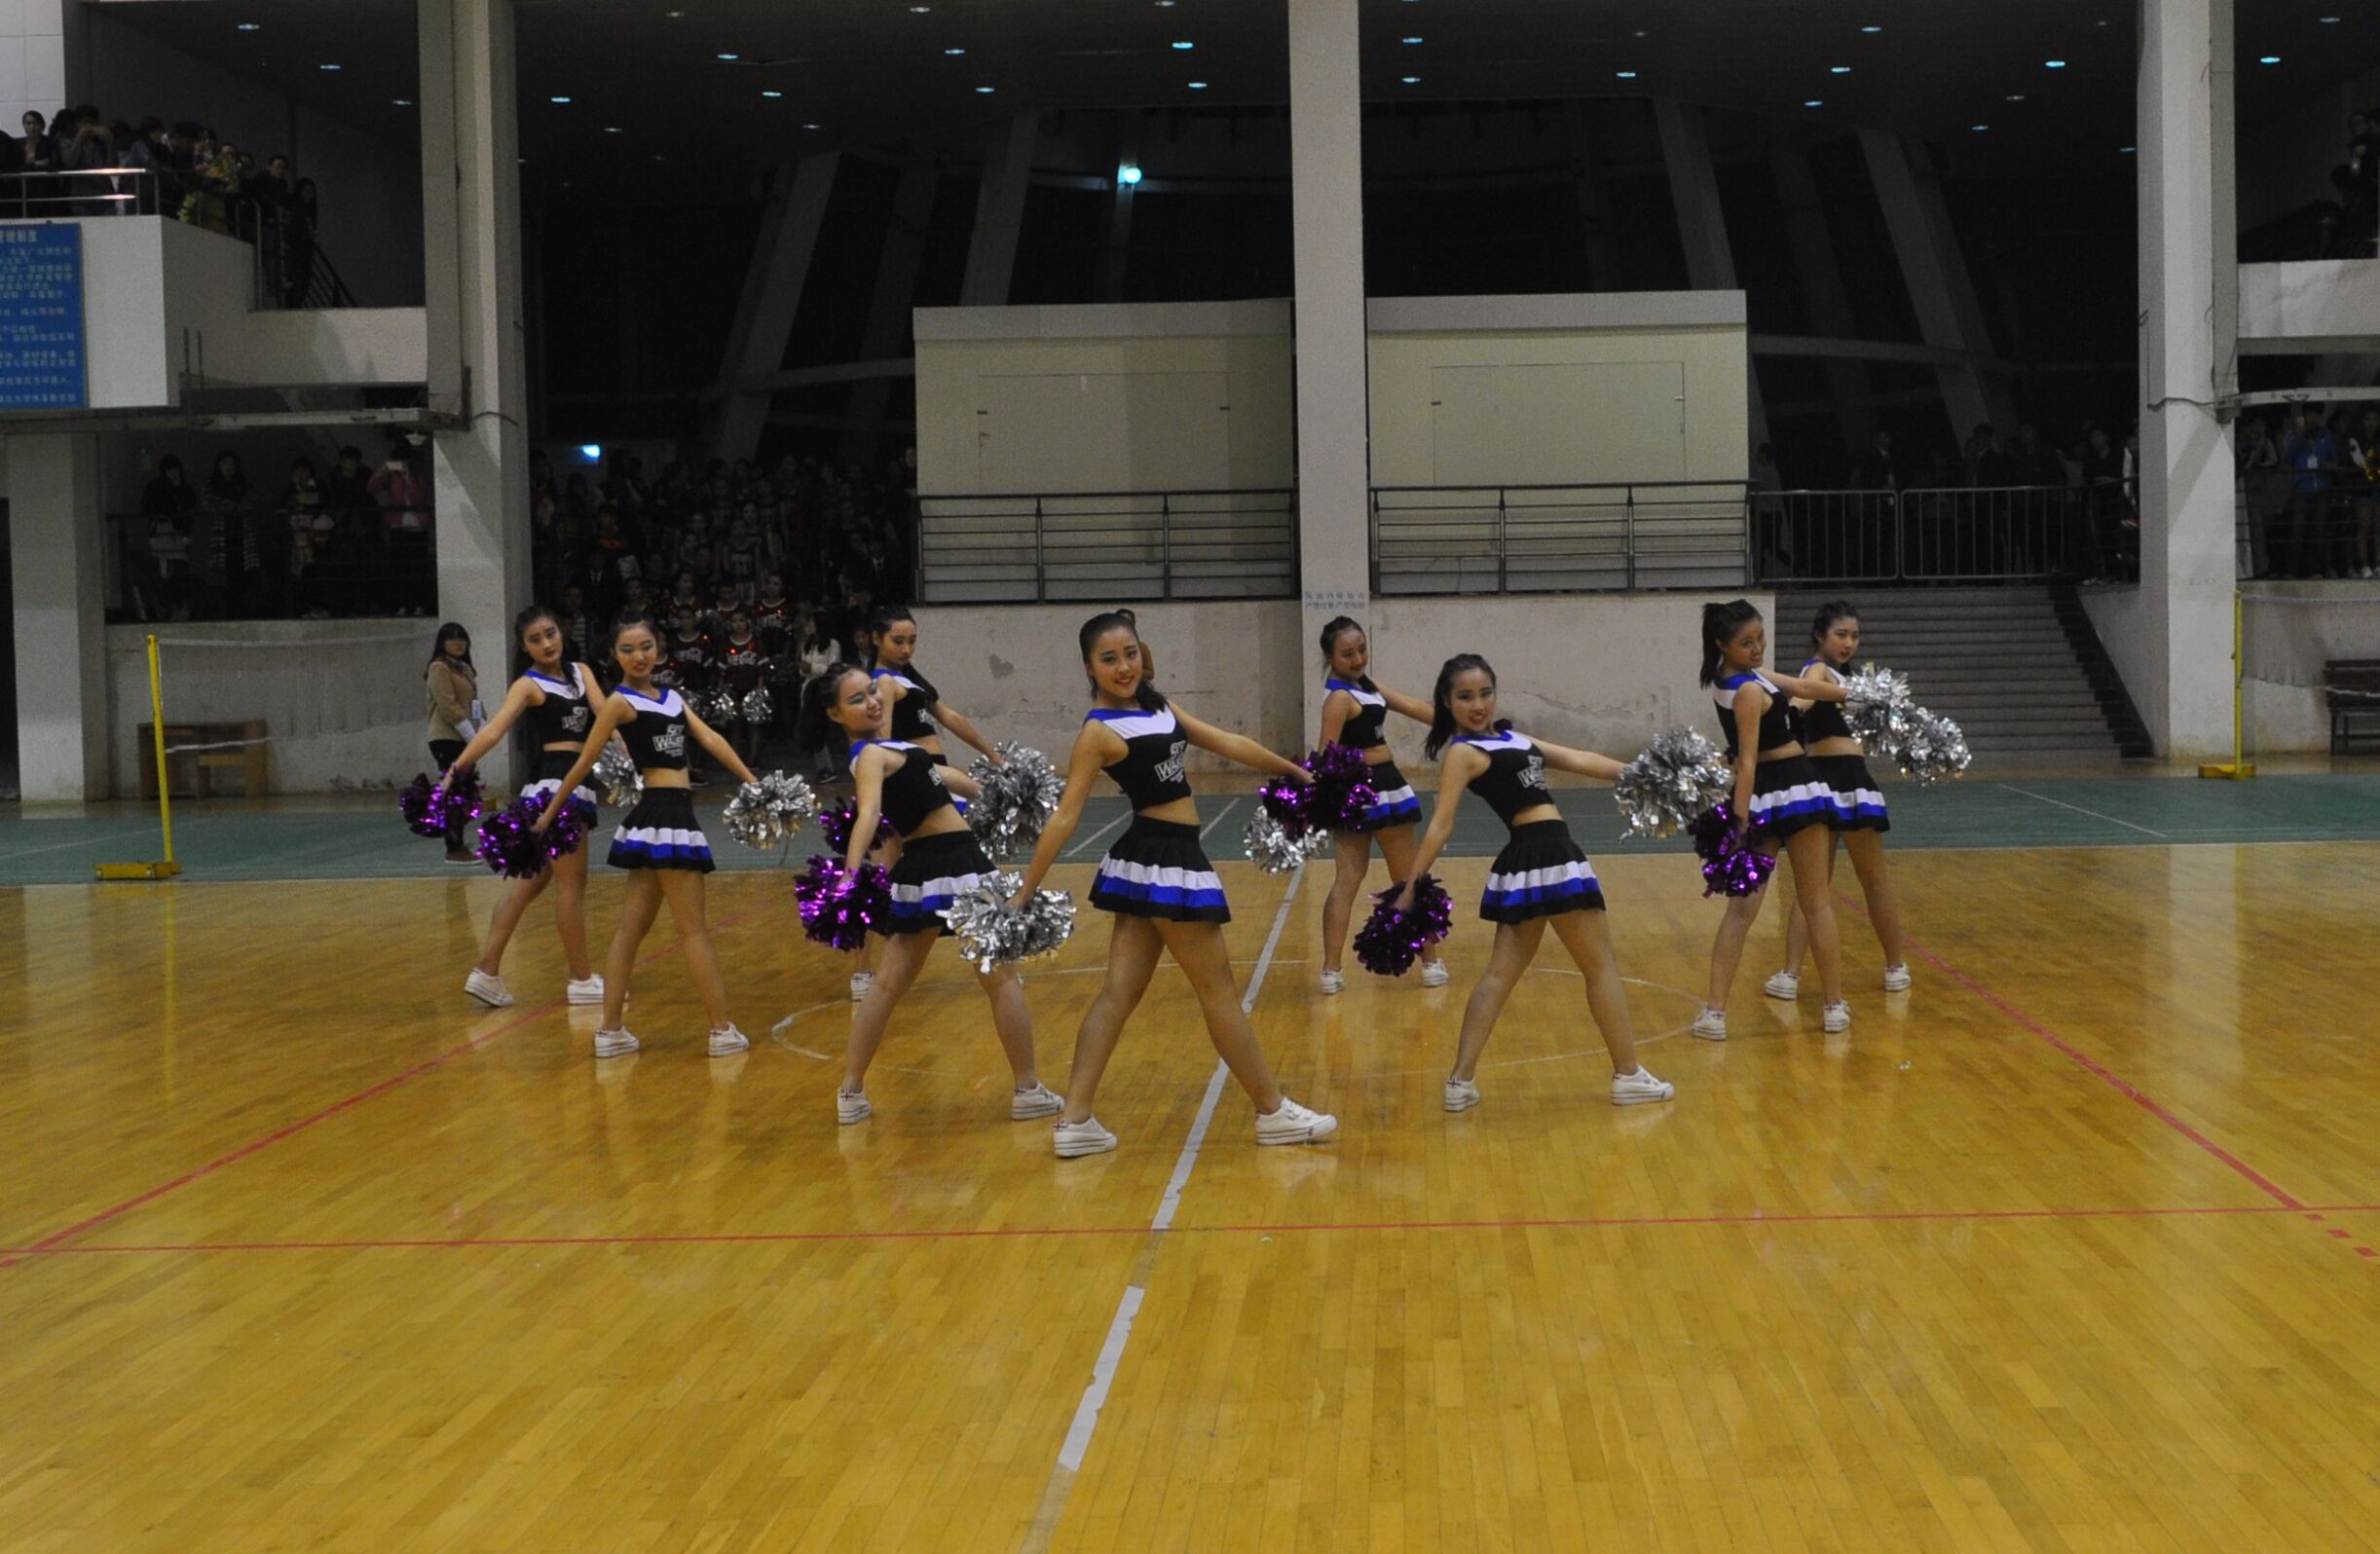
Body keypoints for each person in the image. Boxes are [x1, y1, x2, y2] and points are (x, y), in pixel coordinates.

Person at [1008, 609, 1338, 1158]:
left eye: (1129, 654)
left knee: (1119, 992)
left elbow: (1228, 742)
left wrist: (1296, 771)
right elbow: (1066, 815)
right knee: (1218, 991)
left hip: (1155, 860)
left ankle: (1076, 1120)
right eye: (1108, 659)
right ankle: (1272, 1110)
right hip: (1165, 861)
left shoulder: (1158, 707)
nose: (1123, 667)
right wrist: (1024, 891)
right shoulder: (1098, 731)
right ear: (1089, 667)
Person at [1389, 654, 1673, 1112]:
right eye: (1465, 696)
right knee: (1599, 967)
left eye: (1485, 693)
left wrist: (1640, 772)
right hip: (1547, 854)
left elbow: (1578, 758)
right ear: (1447, 702)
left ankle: (1460, 1081)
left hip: (1531, 861)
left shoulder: (1513, 737)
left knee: (1500, 974)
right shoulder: (1462, 752)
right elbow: (1441, 823)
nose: (1478, 704)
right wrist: (1410, 885)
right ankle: (1627, 1074)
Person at [803, 663, 1060, 1126]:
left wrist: (1012, 792)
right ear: (835, 714)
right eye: (857, 699)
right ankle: (1027, 1089)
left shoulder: (895, 749)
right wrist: (850, 872)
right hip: (956, 864)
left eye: (872, 692)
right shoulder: (869, 756)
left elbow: (952, 781)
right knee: (1001, 978)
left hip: (924, 869)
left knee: (887, 985)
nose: (873, 702)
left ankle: (850, 1092)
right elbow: (868, 814)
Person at [532, 610, 759, 1059]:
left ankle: (611, 1031)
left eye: (646, 647)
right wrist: (547, 815)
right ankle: (721, 1030)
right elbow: (583, 762)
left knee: (630, 931)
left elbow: (711, 739)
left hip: (665, 816)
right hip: (663, 813)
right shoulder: (618, 703)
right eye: (627, 649)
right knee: (693, 931)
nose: (639, 656)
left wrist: (754, 783)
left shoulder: (672, 698)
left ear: (660, 648)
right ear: (614, 655)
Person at [1693, 599, 1857, 1041]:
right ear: (1721, 644)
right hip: (1787, 788)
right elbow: (1747, 761)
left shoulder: (1740, 677)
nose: (1757, 648)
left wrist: (1857, 695)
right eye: (1746, 643)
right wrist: (1738, 824)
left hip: (1772, 792)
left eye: (1760, 638)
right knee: (1812, 903)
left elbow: (1804, 687)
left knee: (1745, 912)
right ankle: (1833, 1006)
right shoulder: (1747, 690)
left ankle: (1715, 1013)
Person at [436, 606, 609, 1010]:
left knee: (528, 883)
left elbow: (607, 719)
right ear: (524, 647)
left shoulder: (582, 672)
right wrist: (455, 772)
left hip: (574, 779)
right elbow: (493, 731)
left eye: (550, 634)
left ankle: (486, 971)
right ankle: (582, 979)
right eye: (535, 639)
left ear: (561, 632)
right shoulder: (527, 685)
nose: (546, 644)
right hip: (555, 786)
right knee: (571, 886)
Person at [1765, 602, 1911, 1003]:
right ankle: (1794, 974)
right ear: (1820, 635)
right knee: (1817, 887)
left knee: (1870, 880)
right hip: (1821, 780)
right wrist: (1791, 710)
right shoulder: (1816, 670)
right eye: (1840, 634)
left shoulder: (1851, 679)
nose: (1849, 643)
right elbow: (1803, 698)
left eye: (1855, 636)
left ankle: (1894, 964)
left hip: (1850, 778)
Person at [1310, 615, 1447, 994]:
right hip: (1367, 791)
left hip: (1379, 788)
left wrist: (1462, 723)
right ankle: (1335, 969)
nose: (1358, 659)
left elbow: (1413, 707)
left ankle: (1424, 961)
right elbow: (1326, 756)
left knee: (1397, 878)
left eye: (1362, 649)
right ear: (1329, 656)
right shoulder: (1339, 697)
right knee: (1375, 879)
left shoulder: (1366, 685)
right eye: (1347, 654)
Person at [424, 622, 482, 865]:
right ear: (442, 642)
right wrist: (469, 732)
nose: (458, 643)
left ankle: (458, 842)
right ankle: (454, 847)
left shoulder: (465, 668)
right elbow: (448, 705)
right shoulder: (439, 667)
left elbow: (474, 702)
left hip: (465, 738)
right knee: (454, 794)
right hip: (446, 738)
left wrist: (482, 725)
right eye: (452, 638)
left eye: (462, 638)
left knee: (465, 792)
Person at [2282, 407, 2337, 580]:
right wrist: (2299, 435)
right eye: (2309, 414)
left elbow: (2333, 458)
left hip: (2321, 487)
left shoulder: (2326, 435)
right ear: (2304, 415)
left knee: (2318, 530)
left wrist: (2329, 465)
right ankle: (2291, 570)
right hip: (2301, 488)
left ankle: (2315, 570)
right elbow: (2288, 456)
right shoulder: (2293, 434)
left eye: (2316, 415)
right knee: (2297, 530)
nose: (2312, 418)